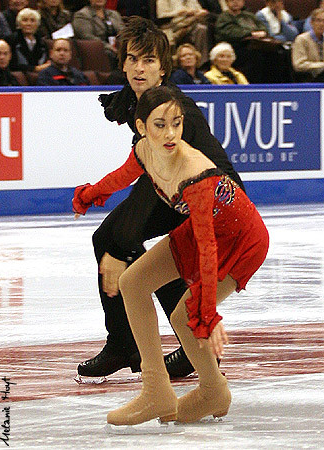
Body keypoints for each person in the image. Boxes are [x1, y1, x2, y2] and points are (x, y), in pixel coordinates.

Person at [72, 85, 269, 425]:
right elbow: (120, 177)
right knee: (133, 282)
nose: (170, 133)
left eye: (176, 123)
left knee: (184, 314)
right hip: (206, 231)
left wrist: (206, 312)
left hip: (241, 239)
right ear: (141, 127)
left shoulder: (194, 172)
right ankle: (157, 391)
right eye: (160, 124)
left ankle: (212, 390)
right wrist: (89, 195)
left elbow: (208, 248)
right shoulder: (145, 150)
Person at [76, 16, 245, 381]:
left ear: (163, 68)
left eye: (149, 60)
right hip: (176, 190)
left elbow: (163, 173)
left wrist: (118, 230)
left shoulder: (172, 107)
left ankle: (134, 345)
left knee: (116, 240)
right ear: (122, 63)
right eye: (133, 59)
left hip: (215, 198)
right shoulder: (140, 99)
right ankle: (138, 344)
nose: (140, 68)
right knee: (128, 246)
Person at [72, 0, 124, 70]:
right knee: (111, 54)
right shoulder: (82, 15)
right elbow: (87, 37)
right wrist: (109, 47)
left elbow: (123, 32)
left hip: (116, 48)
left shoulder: (114, 14)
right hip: (97, 49)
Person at [156, 0, 210, 67]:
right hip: (173, 27)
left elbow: (200, 10)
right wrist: (179, 13)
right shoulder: (164, 1)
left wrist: (200, 13)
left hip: (192, 23)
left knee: (202, 28)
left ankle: (201, 63)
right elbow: (161, 17)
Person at [7, 8, 50, 72]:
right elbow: (12, 65)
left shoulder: (42, 42)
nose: (29, 24)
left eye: (32, 20)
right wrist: (35, 68)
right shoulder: (12, 40)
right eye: (25, 20)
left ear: (37, 24)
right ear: (19, 24)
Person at [292, 8, 324, 82]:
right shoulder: (301, 39)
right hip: (309, 78)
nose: (322, 24)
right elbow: (298, 64)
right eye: (318, 20)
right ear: (311, 22)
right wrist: (321, 65)